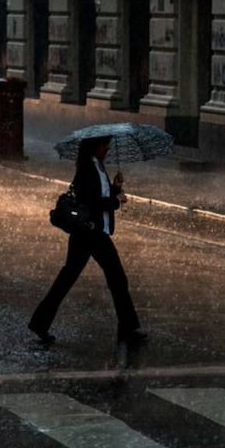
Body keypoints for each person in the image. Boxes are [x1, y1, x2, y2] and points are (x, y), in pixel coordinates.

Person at [28, 135, 147, 346]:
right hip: (89, 233)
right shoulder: (87, 170)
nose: (108, 149)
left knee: (80, 278)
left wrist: (116, 188)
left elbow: (100, 195)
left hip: (92, 233)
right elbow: (92, 202)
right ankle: (127, 328)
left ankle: (40, 323)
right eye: (105, 145)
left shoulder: (97, 166)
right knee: (113, 278)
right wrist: (116, 201)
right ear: (95, 147)